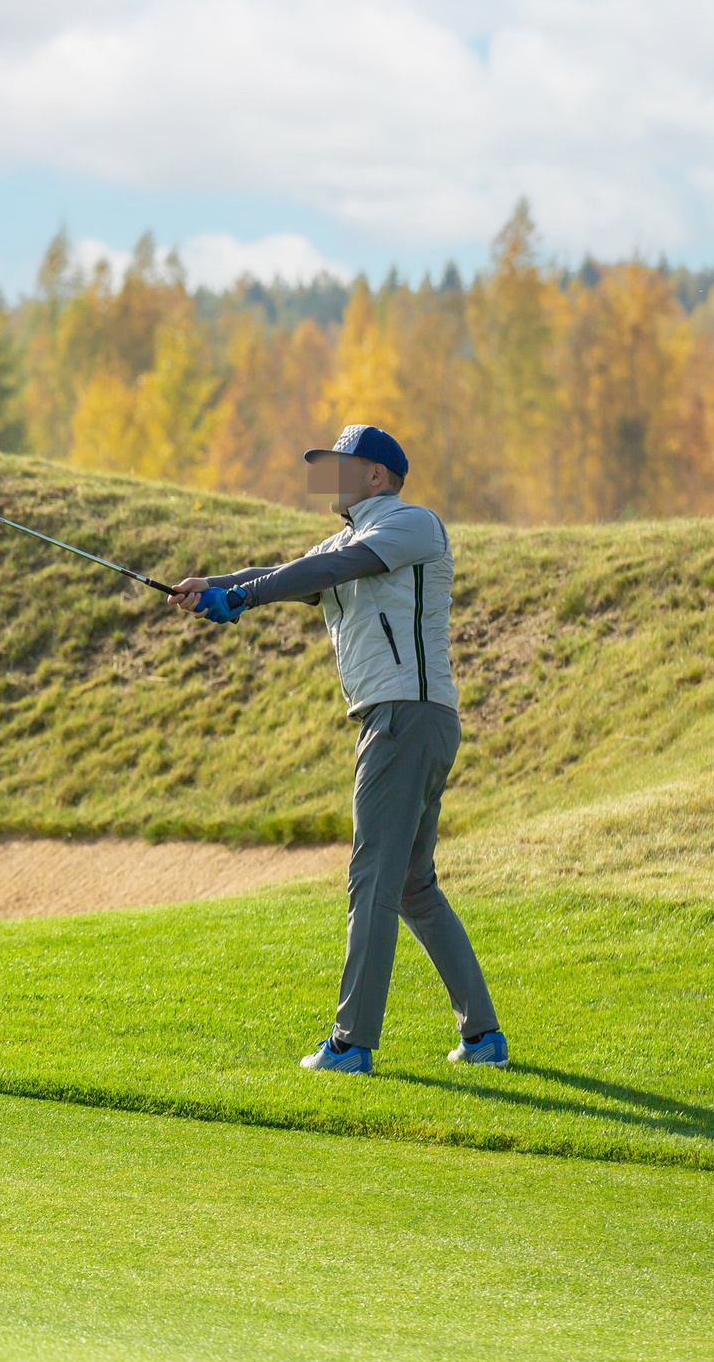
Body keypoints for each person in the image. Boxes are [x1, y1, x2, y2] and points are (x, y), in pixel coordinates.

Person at [168, 424, 507, 1076]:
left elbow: (329, 571)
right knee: (411, 884)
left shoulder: (411, 523)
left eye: (338, 465)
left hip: (403, 716)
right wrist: (213, 584)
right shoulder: (349, 538)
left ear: (376, 475)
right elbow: (290, 573)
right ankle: (483, 1036)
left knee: (373, 875)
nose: (325, 476)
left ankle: (351, 1044)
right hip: (410, 717)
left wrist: (238, 598)